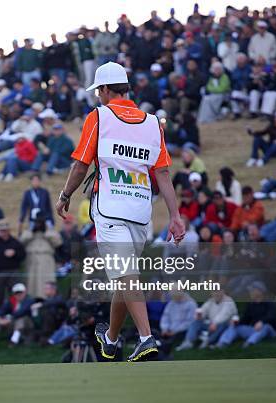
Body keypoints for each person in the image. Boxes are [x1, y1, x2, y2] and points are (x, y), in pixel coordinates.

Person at [55, 62, 185, 362]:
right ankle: (111, 339)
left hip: (110, 209)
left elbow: (80, 164)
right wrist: (175, 217)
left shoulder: (99, 116)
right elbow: (163, 174)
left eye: (98, 91)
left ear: (103, 90)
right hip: (140, 212)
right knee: (125, 277)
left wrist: (64, 196)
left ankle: (145, 338)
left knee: (126, 276)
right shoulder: (153, 123)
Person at [216, 282, 276, 348]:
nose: (250, 292)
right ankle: (223, 343)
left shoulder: (270, 303)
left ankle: (249, 343)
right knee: (234, 327)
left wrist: (262, 322)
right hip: (254, 329)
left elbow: (272, 316)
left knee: (265, 326)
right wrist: (237, 322)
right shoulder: (251, 304)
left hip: (270, 331)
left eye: (252, 290)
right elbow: (245, 319)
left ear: (259, 291)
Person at [19, 217, 62, 298]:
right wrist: (31, 230)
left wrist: (46, 231)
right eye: (36, 223)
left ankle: (48, 301)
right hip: (32, 261)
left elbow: (58, 242)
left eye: (40, 223)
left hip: (46, 262)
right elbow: (21, 241)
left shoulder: (49, 232)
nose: (38, 225)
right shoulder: (29, 233)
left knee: (47, 283)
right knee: (32, 284)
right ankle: (31, 301)